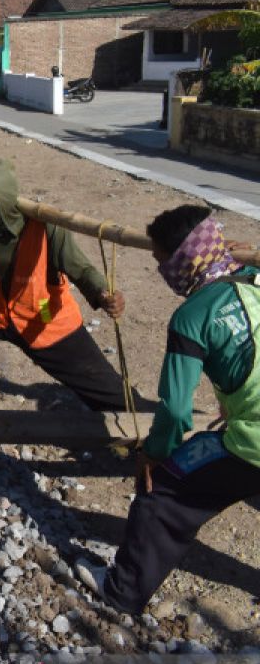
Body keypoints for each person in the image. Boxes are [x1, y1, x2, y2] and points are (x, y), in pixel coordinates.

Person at [78, 205, 260, 613]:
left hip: (254, 438)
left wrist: (153, 454)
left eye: (163, 262)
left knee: (160, 495)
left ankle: (120, 591)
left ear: (184, 259)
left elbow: (176, 410)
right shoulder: (255, 279)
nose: (163, 274)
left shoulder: (192, 317)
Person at [0, 159, 128, 410]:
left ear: (2, 204)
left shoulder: (46, 228)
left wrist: (102, 293)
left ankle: (142, 428)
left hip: (43, 320)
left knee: (108, 390)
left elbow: (81, 268)